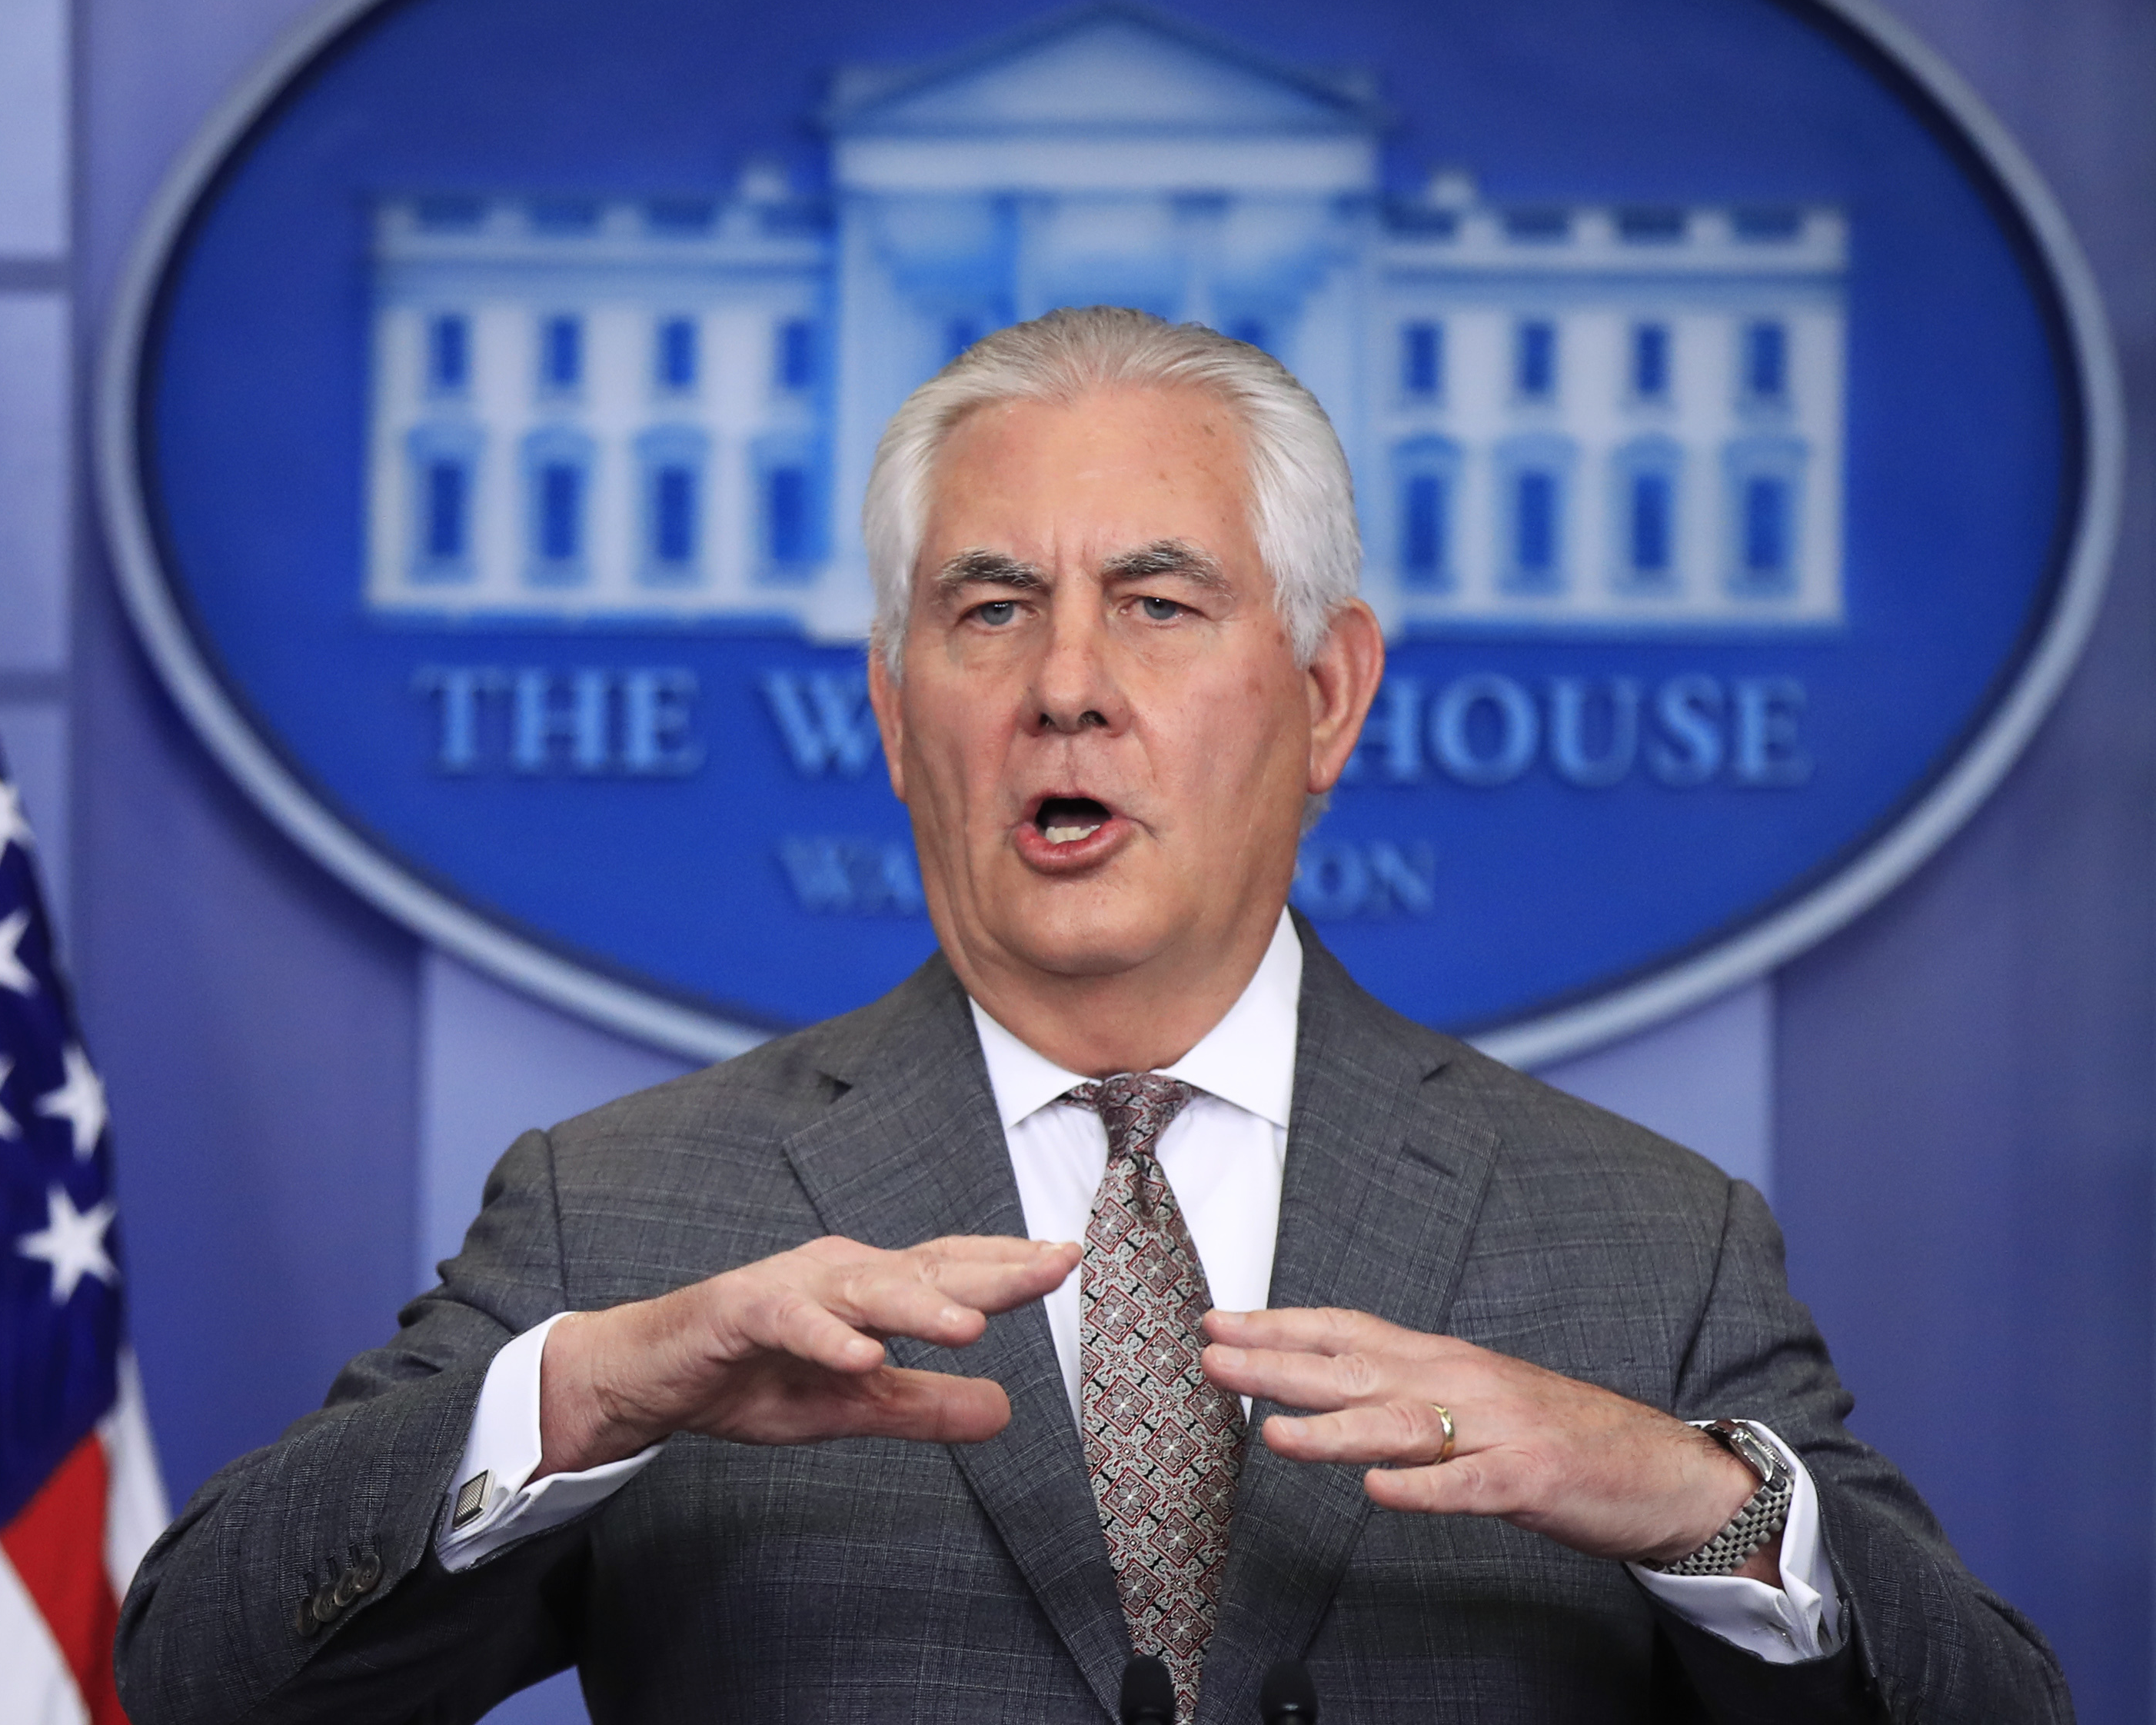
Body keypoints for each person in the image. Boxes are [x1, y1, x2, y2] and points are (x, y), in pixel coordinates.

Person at [115, 309, 2067, 1723]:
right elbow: (195, 1671)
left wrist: (1688, 1502)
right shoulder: (626, 1218)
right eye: (987, 610)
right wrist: (588, 1396)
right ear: (891, 714)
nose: (1064, 684)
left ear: (1324, 696)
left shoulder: (1642, 1238)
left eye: (1156, 601)